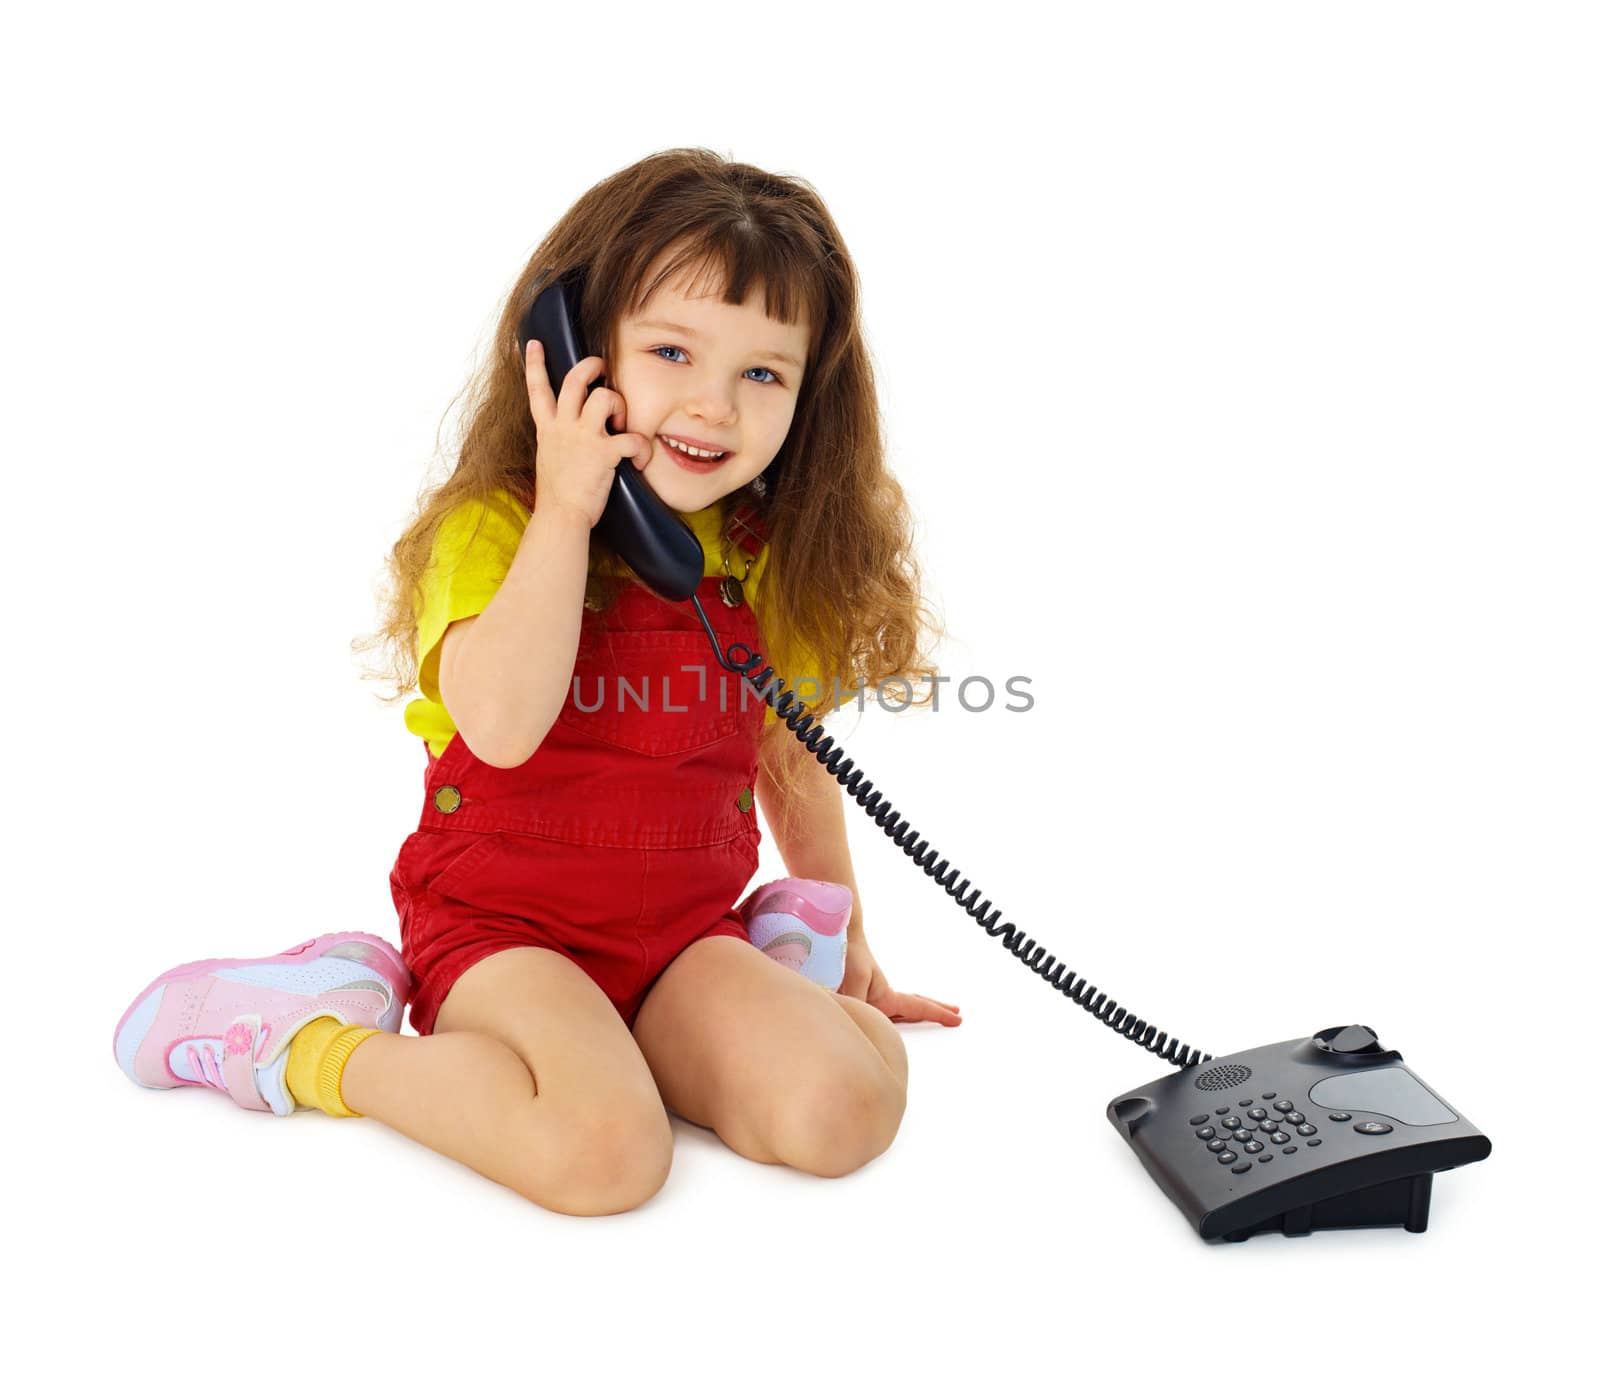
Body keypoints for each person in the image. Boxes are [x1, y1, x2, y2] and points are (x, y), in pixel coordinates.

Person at [113, 148, 960, 1216]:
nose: (714, 405)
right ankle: (303, 1038)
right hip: (506, 930)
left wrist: (858, 942)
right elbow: (503, 727)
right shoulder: (495, 531)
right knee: (603, 1159)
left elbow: (786, 747)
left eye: (763, 373)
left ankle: (763, 961)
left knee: (842, 1110)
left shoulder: (758, 552)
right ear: (570, 352)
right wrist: (568, 508)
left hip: (682, 931)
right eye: (668, 351)